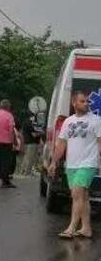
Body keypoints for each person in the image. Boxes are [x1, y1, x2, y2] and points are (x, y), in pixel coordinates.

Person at [47, 91, 101, 239]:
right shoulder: (68, 121)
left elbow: (99, 142)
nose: (86, 104)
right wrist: (53, 162)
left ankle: (71, 228)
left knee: (76, 193)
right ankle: (86, 229)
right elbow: (61, 143)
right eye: (82, 101)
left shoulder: (96, 120)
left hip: (88, 163)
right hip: (71, 164)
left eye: (87, 102)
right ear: (74, 103)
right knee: (82, 196)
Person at [0, 100, 21, 187]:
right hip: (6, 141)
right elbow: (11, 130)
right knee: (6, 161)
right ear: (8, 107)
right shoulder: (9, 115)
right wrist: (14, 141)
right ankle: (5, 181)